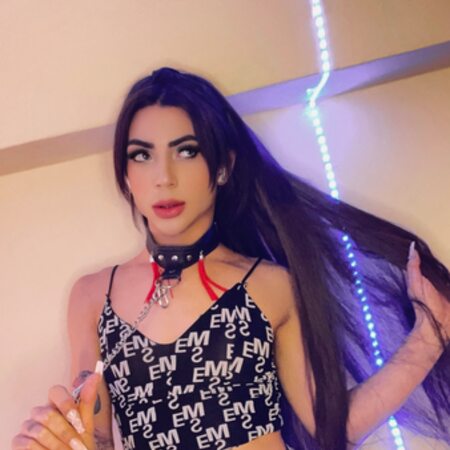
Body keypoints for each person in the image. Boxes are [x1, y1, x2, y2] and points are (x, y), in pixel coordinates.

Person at [12, 67, 450, 450]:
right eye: (142, 155)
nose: (164, 177)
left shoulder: (271, 285)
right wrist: (62, 441)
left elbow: (333, 429)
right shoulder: (93, 296)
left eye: (187, 150)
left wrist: (428, 339)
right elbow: (97, 439)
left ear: (223, 166)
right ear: (126, 175)